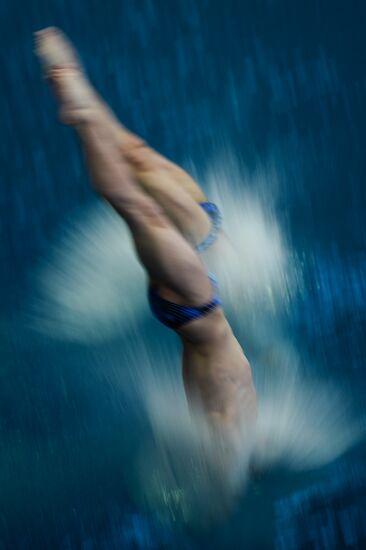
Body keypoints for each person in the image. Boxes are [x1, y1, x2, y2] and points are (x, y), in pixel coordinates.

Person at [34, 27, 257, 453]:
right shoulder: (233, 425)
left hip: (197, 301)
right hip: (200, 267)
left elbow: (220, 435)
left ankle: (82, 113)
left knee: (134, 204)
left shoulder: (229, 431)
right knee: (134, 157)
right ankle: (73, 81)